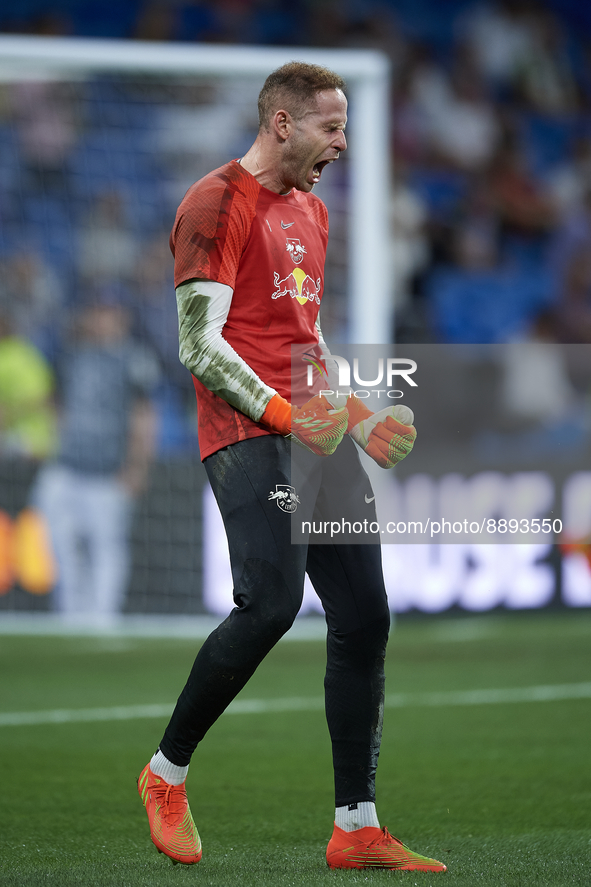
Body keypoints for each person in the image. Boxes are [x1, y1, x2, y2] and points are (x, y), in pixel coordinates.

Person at [137, 62, 446, 874]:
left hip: (311, 429)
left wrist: (359, 416)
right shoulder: (212, 204)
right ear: (282, 124)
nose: (342, 144)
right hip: (246, 434)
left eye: (343, 127)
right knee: (269, 601)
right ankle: (165, 774)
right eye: (330, 128)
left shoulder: (311, 211)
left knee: (364, 616)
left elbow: (303, 348)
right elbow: (199, 345)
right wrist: (283, 415)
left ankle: (355, 824)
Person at [33, 283, 158, 621]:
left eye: (110, 312)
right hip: (67, 466)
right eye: (98, 312)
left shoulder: (135, 359)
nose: (103, 319)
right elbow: (54, 406)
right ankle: (70, 615)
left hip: (108, 470)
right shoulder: (71, 353)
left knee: (107, 546)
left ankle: (103, 618)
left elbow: (144, 417)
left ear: (122, 317)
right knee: (59, 544)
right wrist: (48, 443)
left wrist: (137, 466)